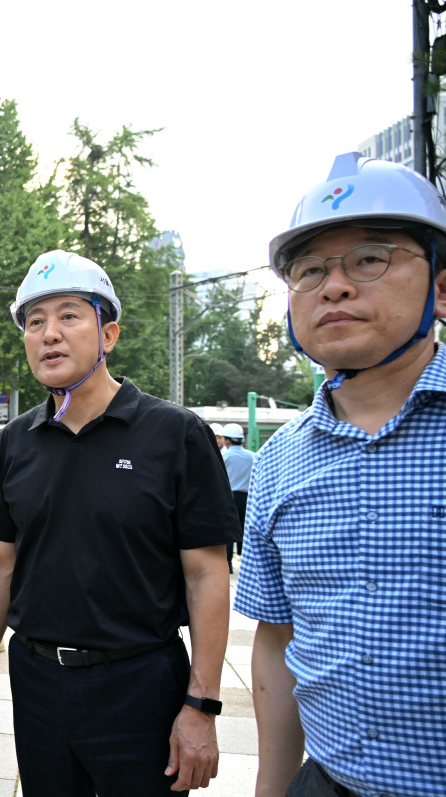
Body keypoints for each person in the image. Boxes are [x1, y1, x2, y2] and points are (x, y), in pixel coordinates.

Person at [0, 251, 239, 796]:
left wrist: (201, 705)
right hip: (37, 680)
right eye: (35, 322)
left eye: (68, 316)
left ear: (108, 334)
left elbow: (208, 574)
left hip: (140, 682)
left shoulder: (174, 434)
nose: (49, 335)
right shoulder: (16, 441)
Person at [234, 152, 446, 797]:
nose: (335, 287)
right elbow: (276, 641)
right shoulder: (279, 459)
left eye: (370, 260)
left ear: (441, 286)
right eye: (309, 271)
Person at [219, 422, 253, 572]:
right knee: (246, 533)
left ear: (227, 440)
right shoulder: (253, 456)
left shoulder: (223, 456)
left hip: (229, 498)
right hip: (247, 498)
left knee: (227, 532)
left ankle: (228, 565)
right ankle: (247, 564)